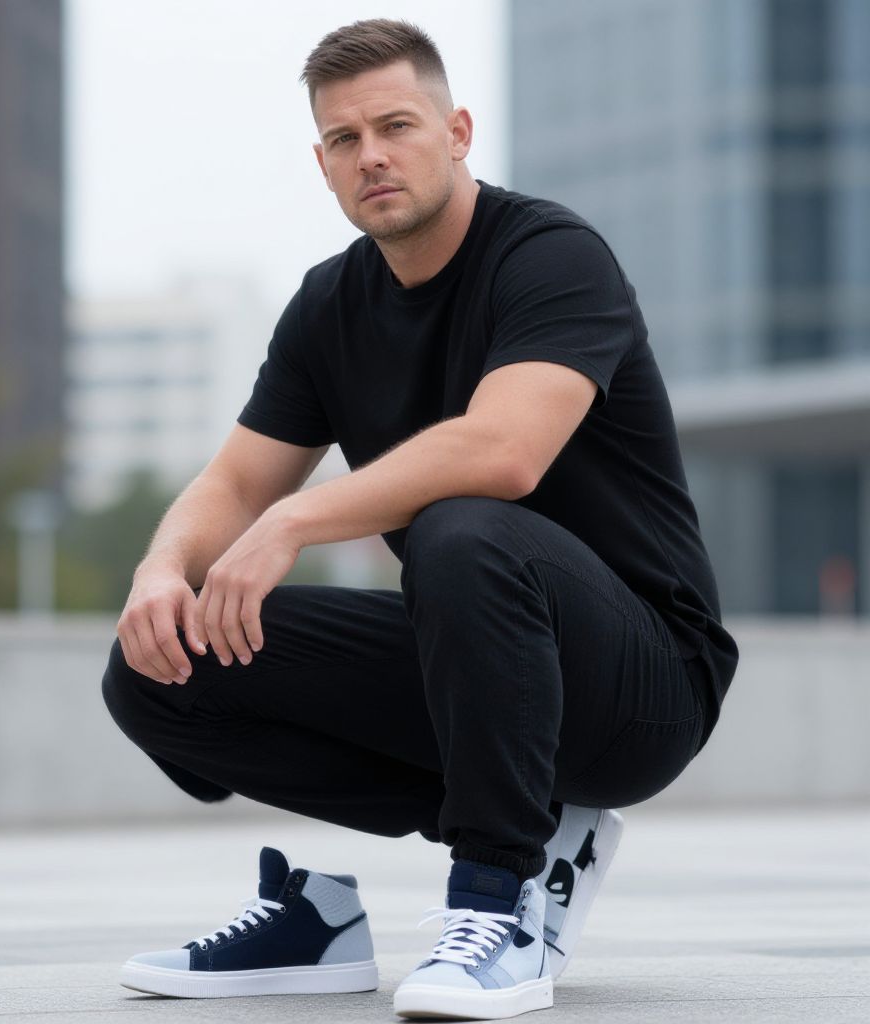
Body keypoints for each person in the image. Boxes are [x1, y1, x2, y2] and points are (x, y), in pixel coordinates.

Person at [102, 17, 740, 1020]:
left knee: (462, 526)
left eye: (396, 126)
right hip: (477, 661)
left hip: (642, 683)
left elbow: (504, 452)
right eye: (345, 139)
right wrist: (160, 570)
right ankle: (340, 917)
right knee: (158, 667)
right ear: (323, 164)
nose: (372, 155)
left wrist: (293, 525)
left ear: (457, 132)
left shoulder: (551, 255)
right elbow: (234, 484)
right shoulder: (328, 306)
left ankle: (497, 899)